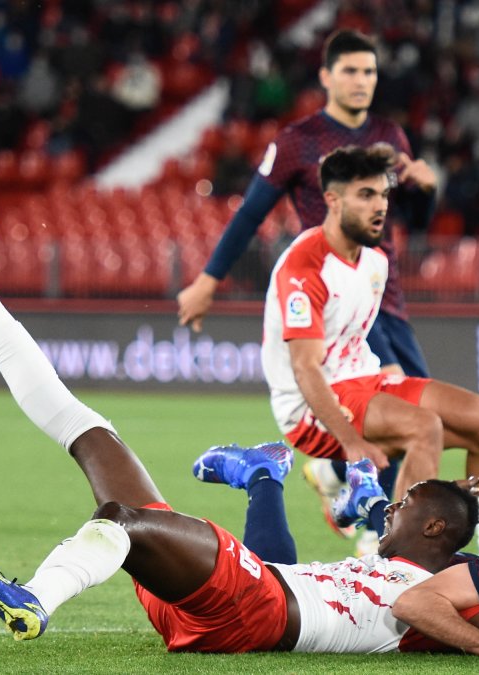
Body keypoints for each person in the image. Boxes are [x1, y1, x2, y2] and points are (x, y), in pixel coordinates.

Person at [0, 210, 479, 659]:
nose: (386, 509)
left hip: (256, 608)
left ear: (433, 525)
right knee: (89, 433)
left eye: (404, 505)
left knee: (126, 521)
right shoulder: (397, 556)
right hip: (214, 606)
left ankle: (37, 598)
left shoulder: (445, 594)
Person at [176, 29, 438, 537]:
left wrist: (426, 190)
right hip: (332, 292)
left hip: (386, 294)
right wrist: (209, 278)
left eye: (369, 72)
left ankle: (346, 486)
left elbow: (413, 216)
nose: (361, 81)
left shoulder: (391, 137)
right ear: (326, 77)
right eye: (350, 71)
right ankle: (380, 538)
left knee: (416, 417)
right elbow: (251, 213)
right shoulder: (297, 142)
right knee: (395, 416)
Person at [261, 144, 479, 555]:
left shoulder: (375, 261)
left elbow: (356, 334)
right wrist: (351, 444)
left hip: (365, 381)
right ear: (332, 199)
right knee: (423, 427)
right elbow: (306, 370)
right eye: (366, 195)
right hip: (308, 407)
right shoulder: (305, 267)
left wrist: (386, 379)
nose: (379, 206)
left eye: (382, 194)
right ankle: (399, 565)